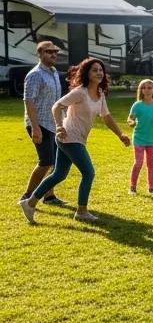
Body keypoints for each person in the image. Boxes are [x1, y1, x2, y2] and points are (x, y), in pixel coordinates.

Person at [19, 57, 131, 225]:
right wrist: (58, 126)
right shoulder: (80, 92)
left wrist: (120, 135)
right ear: (87, 73)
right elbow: (56, 106)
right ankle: (81, 211)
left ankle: (29, 203)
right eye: (95, 70)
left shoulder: (99, 94)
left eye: (101, 70)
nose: (99, 73)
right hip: (69, 137)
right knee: (89, 173)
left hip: (76, 139)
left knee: (59, 174)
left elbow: (106, 117)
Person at [19, 40, 68, 209]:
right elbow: (29, 101)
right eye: (48, 52)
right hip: (39, 123)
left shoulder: (54, 72)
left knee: (54, 162)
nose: (53, 54)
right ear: (39, 54)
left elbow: (56, 100)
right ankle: (27, 196)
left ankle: (49, 196)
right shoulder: (35, 74)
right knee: (46, 161)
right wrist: (35, 127)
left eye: (55, 52)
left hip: (53, 122)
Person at [127, 78, 153, 194]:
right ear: (141, 90)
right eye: (144, 88)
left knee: (151, 163)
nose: (147, 90)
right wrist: (131, 123)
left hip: (152, 139)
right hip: (139, 138)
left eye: (150, 88)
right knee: (138, 163)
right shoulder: (137, 105)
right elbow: (130, 118)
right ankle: (132, 187)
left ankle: (151, 187)